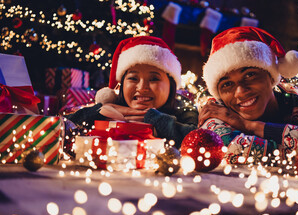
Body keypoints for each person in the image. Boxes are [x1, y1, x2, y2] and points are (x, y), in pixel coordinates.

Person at [199, 26, 298, 164]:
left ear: (271, 76)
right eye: (227, 84)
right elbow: (229, 149)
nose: (240, 92)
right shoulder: (216, 108)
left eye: (250, 75)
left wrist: (252, 127)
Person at [65, 36, 198, 148]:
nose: (142, 87)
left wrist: (153, 117)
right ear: (122, 85)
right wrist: (99, 110)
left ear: (171, 86)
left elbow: (197, 139)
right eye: (133, 78)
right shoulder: (111, 107)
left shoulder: (183, 106)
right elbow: (62, 126)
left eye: (154, 79)